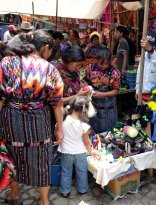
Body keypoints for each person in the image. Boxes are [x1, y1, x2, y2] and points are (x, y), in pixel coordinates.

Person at [0, 30, 64, 205]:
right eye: (51, 51)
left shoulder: (7, 63)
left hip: (11, 120)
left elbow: (1, 96)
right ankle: (44, 201)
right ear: (44, 48)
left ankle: (14, 197)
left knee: (13, 156)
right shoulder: (50, 69)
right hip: (39, 121)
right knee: (42, 160)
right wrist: (60, 128)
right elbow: (57, 103)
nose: (50, 55)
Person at [58, 96, 95, 198]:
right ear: (83, 110)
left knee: (66, 171)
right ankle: (82, 189)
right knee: (82, 171)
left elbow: (58, 133)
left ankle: (65, 190)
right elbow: (87, 142)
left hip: (66, 152)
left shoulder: (63, 120)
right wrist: (91, 152)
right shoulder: (83, 125)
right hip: (80, 153)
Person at [84, 48, 120, 133]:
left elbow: (116, 91)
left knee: (108, 133)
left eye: (106, 64)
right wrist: (87, 87)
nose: (104, 66)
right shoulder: (90, 68)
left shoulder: (114, 72)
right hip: (93, 105)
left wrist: (102, 94)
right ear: (96, 60)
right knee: (94, 132)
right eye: (101, 63)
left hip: (108, 108)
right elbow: (84, 80)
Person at [136, 31, 156, 103]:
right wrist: (137, 90)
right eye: (147, 46)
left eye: (152, 47)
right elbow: (139, 74)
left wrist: (151, 51)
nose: (148, 49)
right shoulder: (143, 55)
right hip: (143, 94)